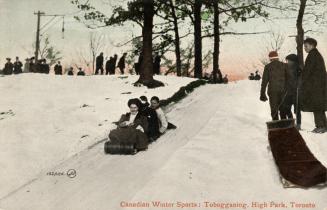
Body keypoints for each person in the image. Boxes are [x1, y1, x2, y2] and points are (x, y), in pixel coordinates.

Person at [299, 38, 327, 133]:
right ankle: (324, 126)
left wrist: (301, 80)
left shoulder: (312, 55)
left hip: (315, 86)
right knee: (320, 106)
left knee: (317, 106)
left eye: (306, 46)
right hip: (320, 85)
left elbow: (307, 71)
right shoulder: (317, 55)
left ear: (312, 45)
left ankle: (320, 126)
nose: (305, 48)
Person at [260, 51, 288, 121]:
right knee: (283, 109)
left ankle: (275, 125)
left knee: (274, 109)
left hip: (272, 91)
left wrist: (262, 94)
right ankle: (284, 125)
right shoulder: (284, 65)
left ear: (270, 59)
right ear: (277, 57)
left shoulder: (267, 67)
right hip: (283, 91)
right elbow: (289, 79)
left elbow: (264, 82)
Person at [284, 54, 302, 129]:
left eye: (288, 60)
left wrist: (298, 86)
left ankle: (298, 124)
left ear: (293, 61)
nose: (287, 62)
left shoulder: (298, 69)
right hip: (288, 91)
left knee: (297, 109)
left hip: (296, 92)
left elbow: (300, 79)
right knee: (286, 108)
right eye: (287, 60)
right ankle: (291, 121)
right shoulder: (286, 68)